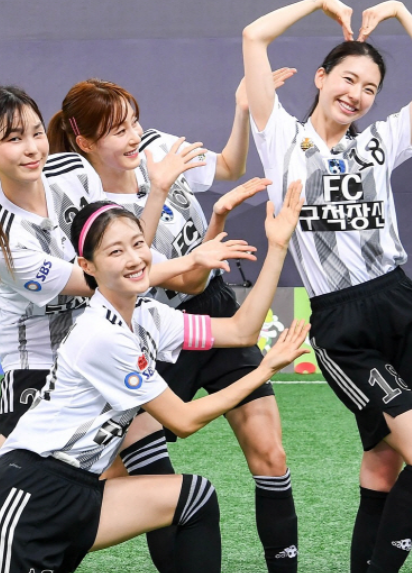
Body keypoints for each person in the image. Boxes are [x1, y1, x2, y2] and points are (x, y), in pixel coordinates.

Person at [47, 73, 302, 572]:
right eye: (118, 130)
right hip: (152, 331)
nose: (134, 136)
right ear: (86, 143)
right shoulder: (93, 210)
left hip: (213, 312)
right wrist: (170, 197)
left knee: (270, 454)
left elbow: (228, 166)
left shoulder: (157, 148)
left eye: (134, 122)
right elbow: (159, 277)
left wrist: (241, 108)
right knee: (153, 484)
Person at [243, 0, 412, 573]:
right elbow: (254, 36)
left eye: (370, 88)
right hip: (343, 323)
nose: (357, 94)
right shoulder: (280, 138)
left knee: (386, 464)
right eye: (347, 79)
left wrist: (402, 13)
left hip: (400, 304)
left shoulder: (380, 141)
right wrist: (317, 1)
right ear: (321, 77)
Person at [0, 200, 309, 573]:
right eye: (116, 251)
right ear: (88, 266)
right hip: (33, 489)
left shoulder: (147, 315)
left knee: (194, 498)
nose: (134, 259)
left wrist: (278, 247)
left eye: (137, 244)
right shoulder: (102, 336)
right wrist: (264, 370)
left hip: (84, 489)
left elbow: (241, 330)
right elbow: (183, 420)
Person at [0, 85, 243, 446]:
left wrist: (158, 190)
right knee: (34, 473)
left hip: (94, 351)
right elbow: (105, 280)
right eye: (14, 139)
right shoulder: (6, 238)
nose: (33, 148)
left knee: (140, 466)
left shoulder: (73, 171)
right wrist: (192, 259)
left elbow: (123, 251)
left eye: (37, 133)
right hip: (37, 365)